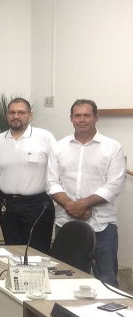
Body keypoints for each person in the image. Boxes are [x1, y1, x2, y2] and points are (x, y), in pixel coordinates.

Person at [47, 99, 125, 288]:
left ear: (96, 117)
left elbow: (114, 184)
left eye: (87, 115)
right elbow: (52, 182)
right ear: (71, 118)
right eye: (77, 115)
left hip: (102, 226)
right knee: (66, 276)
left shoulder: (112, 147)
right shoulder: (59, 147)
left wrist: (81, 205)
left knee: (106, 278)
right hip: (66, 223)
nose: (82, 120)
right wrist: (71, 207)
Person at [0, 98, 56, 253]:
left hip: (37, 206)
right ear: (7, 115)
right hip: (7, 207)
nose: (16, 116)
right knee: (13, 251)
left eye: (21, 112)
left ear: (30, 115)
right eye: (12, 112)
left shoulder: (44, 137)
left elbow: (58, 168)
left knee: (37, 253)